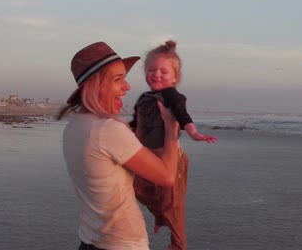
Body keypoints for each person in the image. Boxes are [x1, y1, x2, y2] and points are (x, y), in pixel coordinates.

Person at [59, 41, 181, 250]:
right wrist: (172, 129)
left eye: (124, 78)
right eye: (118, 79)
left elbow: (111, 178)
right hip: (121, 244)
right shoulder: (107, 130)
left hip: (90, 240)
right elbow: (167, 176)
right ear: (94, 85)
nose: (127, 86)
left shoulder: (74, 127)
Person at [130, 40, 216, 250]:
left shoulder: (171, 96)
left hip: (172, 159)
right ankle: (160, 216)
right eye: (151, 70)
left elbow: (182, 114)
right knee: (137, 190)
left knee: (173, 204)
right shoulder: (143, 98)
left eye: (163, 71)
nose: (156, 74)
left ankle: (178, 244)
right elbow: (135, 123)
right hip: (149, 157)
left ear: (175, 78)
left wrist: (194, 133)